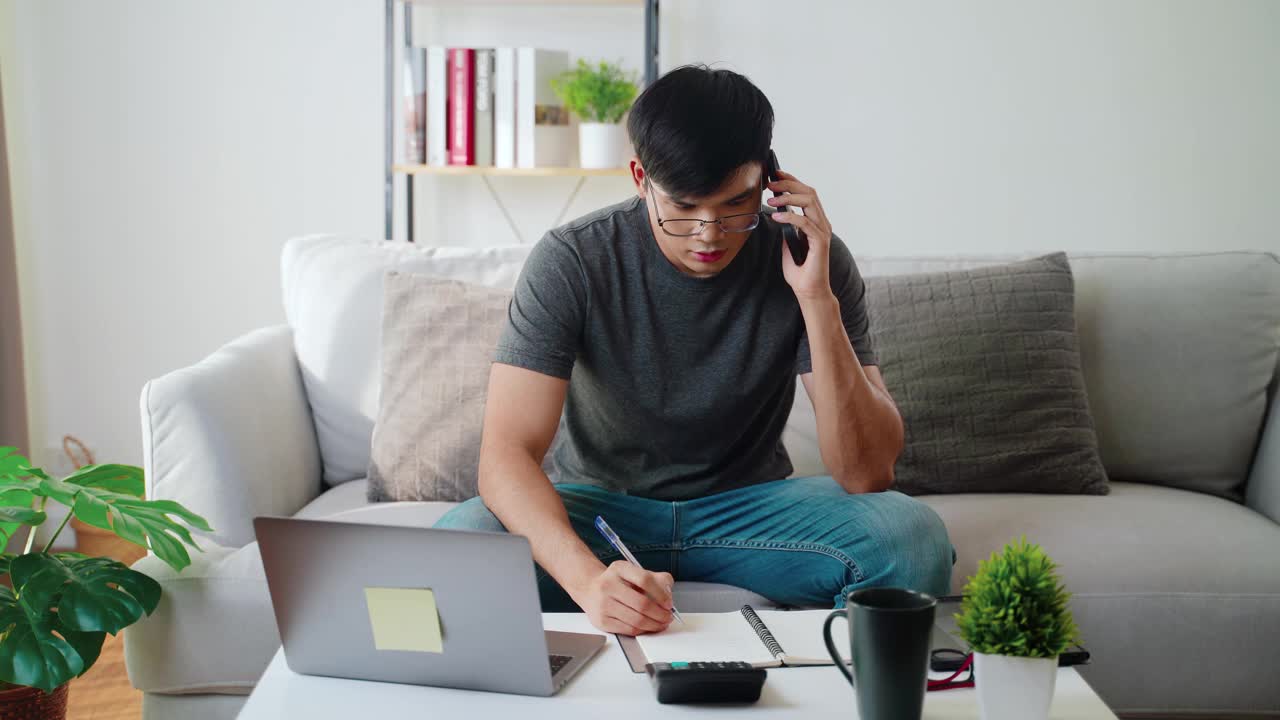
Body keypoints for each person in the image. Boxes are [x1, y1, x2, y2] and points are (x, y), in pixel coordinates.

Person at [435, 64, 952, 636]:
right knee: (461, 543)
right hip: (605, 513)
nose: (710, 233)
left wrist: (816, 299)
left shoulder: (811, 260)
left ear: (770, 180)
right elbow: (505, 455)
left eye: (735, 205)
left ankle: (827, 690)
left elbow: (866, 474)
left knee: (911, 537)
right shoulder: (573, 260)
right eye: (683, 208)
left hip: (752, 513)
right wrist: (588, 583)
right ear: (640, 177)